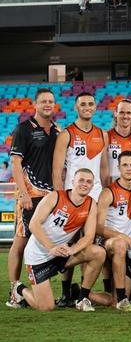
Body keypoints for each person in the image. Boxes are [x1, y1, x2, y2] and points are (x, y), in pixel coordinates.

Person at [10, 169, 109, 312]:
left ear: (93, 186)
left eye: (88, 182)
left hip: (62, 253)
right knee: (46, 307)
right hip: (39, 256)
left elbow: (88, 236)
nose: (84, 184)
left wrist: (72, 250)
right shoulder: (55, 197)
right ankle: (19, 289)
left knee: (98, 252)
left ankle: (82, 298)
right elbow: (34, 224)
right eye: (81, 180)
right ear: (72, 182)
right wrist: (51, 247)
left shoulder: (91, 205)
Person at [6, 88, 60, 308]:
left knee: (47, 241)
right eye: (43, 101)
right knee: (21, 242)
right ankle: (15, 290)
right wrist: (24, 193)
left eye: (51, 101)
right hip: (30, 196)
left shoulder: (57, 130)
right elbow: (16, 163)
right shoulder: (23, 129)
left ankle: (46, 288)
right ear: (35, 104)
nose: (48, 104)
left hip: (52, 197)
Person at [96, 151, 131, 312]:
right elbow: (98, 227)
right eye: (125, 165)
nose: (129, 168)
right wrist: (121, 236)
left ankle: (82, 293)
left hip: (128, 250)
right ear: (118, 168)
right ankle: (123, 299)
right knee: (119, 244)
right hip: (108, 244)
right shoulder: (108, 192)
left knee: (113, 300)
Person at [53, 92, 108, 202]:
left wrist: (106, 196)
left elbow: (104, 169)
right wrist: (60, 199)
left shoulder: (103, 134)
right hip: (72, 194)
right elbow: (56, 172)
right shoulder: (66, 134)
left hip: (96, 195)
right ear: (75, 107)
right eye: (83, 104)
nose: (87, 107)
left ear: (95, 107)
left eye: (90, 104)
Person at [107, 100, 131, 182]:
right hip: (112, 187)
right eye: (121, 112)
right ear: (115, 113)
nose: (125, 116)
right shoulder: (106, 137)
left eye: (128, 113)